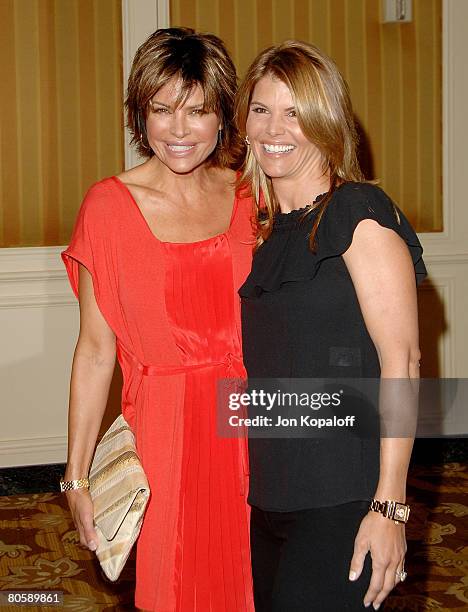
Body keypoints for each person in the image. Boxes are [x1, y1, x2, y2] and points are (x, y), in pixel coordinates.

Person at [61, 28, 254, 612]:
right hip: (166, 431)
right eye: (161, 109)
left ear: (223, 116)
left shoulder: (251, 194)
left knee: (259, 579)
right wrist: (76, 476)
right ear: (139, 115)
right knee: (176, 588)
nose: (177, 129)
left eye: (197, 110)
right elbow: (95, 352)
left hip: (256, 421)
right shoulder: (108, 206)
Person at [235, 40, 426, 611]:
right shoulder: (268, 232)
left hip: (343, 500)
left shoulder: (358, 213)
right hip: (270, 498)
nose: (276, 127)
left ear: (327, 120)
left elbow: (404, 362)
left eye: (296, 112)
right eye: (262, 109)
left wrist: (389, 506)